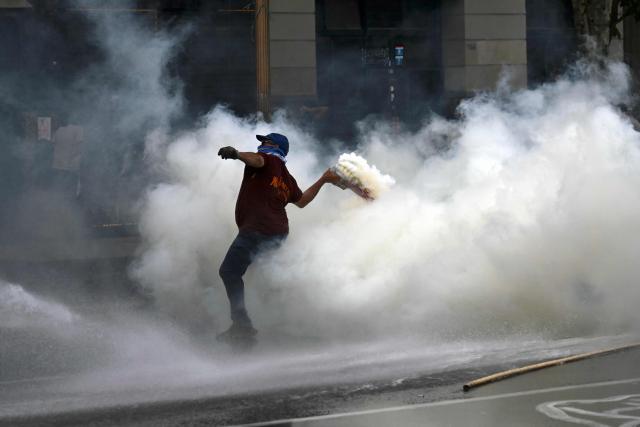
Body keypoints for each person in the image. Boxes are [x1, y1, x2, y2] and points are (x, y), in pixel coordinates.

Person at [217, 133, 340, 340]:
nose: (260, 146)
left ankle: (242, 326)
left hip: (257, 230)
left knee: (229, 272)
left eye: (264, 142)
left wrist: (237, 154)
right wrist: (323, 180)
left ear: (274, 146)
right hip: (277, 235)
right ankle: (286, 322)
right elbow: (301, 201)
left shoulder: (269, 160)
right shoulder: (287, 178)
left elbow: (258, 159)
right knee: (267, 278)